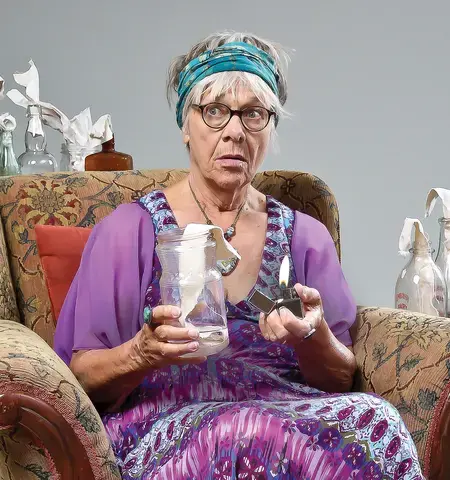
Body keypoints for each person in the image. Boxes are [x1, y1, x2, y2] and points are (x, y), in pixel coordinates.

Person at [54, 31, 423, 480]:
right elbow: (81, 380)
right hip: (167, 424)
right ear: (185, 126)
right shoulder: (130, 231)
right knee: (247, 430)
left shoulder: (303, 236)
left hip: (290, 414)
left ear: (269, 128)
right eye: (213, 112)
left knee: (379, 419)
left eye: (252, 114)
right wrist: (142, 354)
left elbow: (339, 380)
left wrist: (312, 338)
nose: (233, 130)